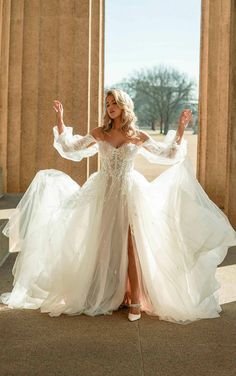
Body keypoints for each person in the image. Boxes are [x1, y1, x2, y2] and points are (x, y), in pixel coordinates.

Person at [0, 89, 235, 324]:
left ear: (124, 106)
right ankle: (106, 293)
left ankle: (135, 300)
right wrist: (61, 122)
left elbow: (168, 153)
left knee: (131, 246)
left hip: (130, 194)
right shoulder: (100, 133)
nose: (110, 107)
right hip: (104, 194)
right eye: (107, 103)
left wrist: (181, 127)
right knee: (103, 244)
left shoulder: (136, 135)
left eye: (114, 103)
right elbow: (71, 148)